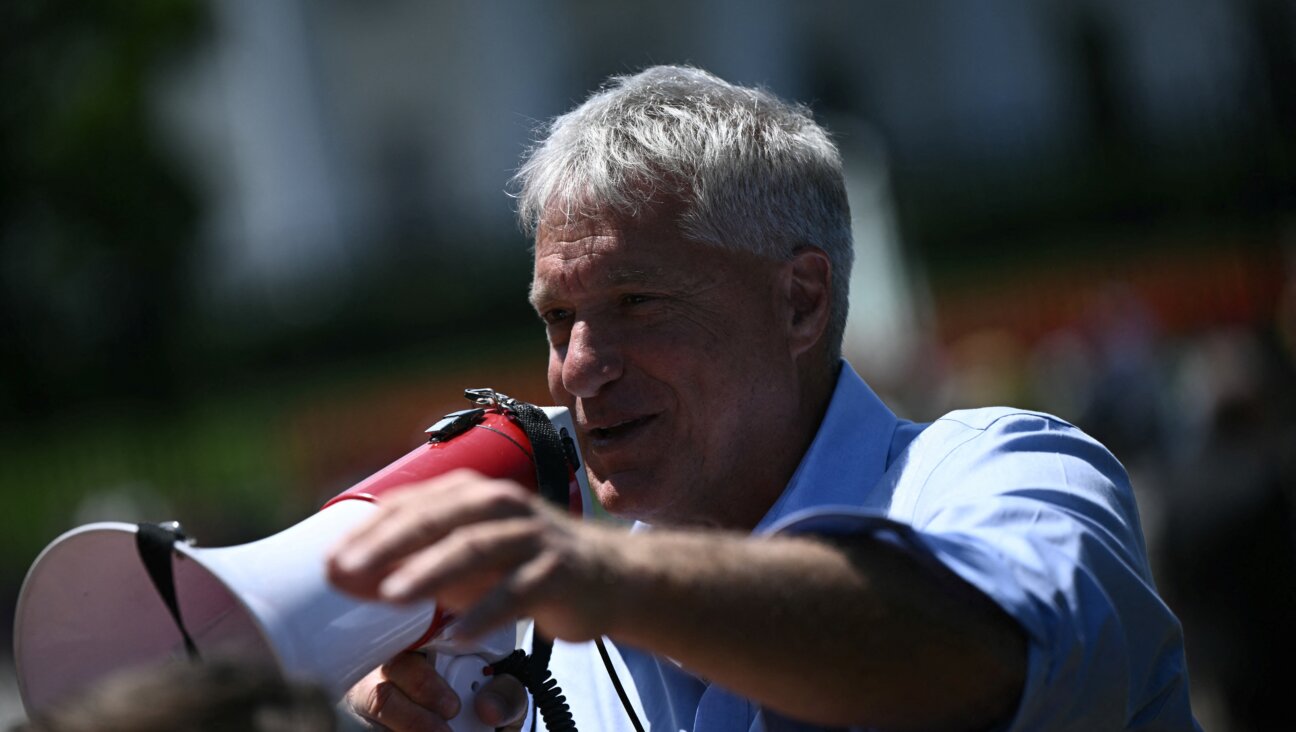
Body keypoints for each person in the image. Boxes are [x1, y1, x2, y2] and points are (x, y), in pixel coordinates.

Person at [326, 65, 1199, 731]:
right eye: (559, 318)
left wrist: (605, 578)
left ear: (801, 302)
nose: (578, 367)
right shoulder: (542, 635)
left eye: (637, 304)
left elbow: (992, 656)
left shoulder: (1013, 472)